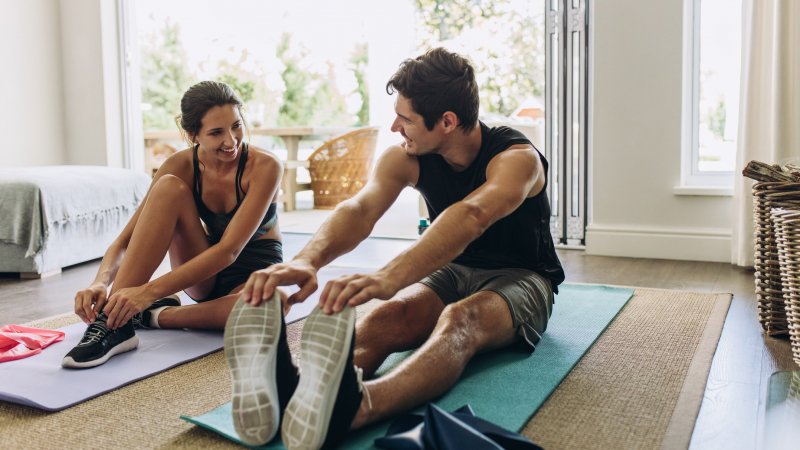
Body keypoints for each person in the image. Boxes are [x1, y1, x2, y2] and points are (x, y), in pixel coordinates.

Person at [223, 48, 565, 448]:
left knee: (461, 320)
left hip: (523, 278)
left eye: (406, 119)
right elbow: (360, 210)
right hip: (454, 269)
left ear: (447, 122)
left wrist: (389, 276)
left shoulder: (517, 159)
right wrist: (306, 261)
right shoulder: (407, 156)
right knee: (389, 315)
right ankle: (296, 391)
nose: (394, 127)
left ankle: (357, 407)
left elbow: (472, 215)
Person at [62, 81, 284, 369]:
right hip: (204, 272)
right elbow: (126, 240)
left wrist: (147, 294)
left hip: (253, 273)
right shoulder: (180, 165)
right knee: (168, 187)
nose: (231, 141)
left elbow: (229, 251)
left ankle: (149, 315)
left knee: (270, 306)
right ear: (193, 135)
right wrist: (100, 282)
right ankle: (112, 324)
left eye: (236, 126)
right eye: (216, 133)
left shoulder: (266, 166)